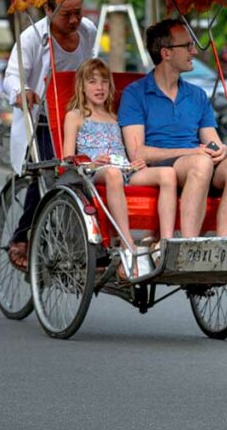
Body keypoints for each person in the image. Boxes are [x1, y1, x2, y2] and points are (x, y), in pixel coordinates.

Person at [119, 19, 227, 238]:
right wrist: (194, 152)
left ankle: (222, 245)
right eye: (187, 46)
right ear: (166, 53)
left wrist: (222, 150)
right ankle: (189, 246)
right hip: (162, 165)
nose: (193, 52)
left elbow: (213, 139)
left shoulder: (197, 94)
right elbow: (137, 152)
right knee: (200, 162)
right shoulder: (135, 93)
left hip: (199, 162)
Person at [2, 0, 96, 268]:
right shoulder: (33, 37)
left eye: (78, 12)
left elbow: (91, 66)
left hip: (79, 116)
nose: (75, 20)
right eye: (67, 14)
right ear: (48, 9)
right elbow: (12, 75)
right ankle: (22, 236)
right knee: (47, 175)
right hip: (44, 119)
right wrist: (22, 91)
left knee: (94, 173)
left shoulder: (87, 31)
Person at [63, 58, 177, 279]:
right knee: (113, 174)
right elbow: (68, 158)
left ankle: (163, 243)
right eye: (93, 82)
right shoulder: (75, 116)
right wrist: (93, 163)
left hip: (124, 169)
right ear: (82, 86)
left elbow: (125, 151)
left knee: (168, 173)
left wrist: (137, 163)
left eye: (104, 82)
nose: (99, 87)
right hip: (93, 172)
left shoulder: (116, 117)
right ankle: (128, 246)